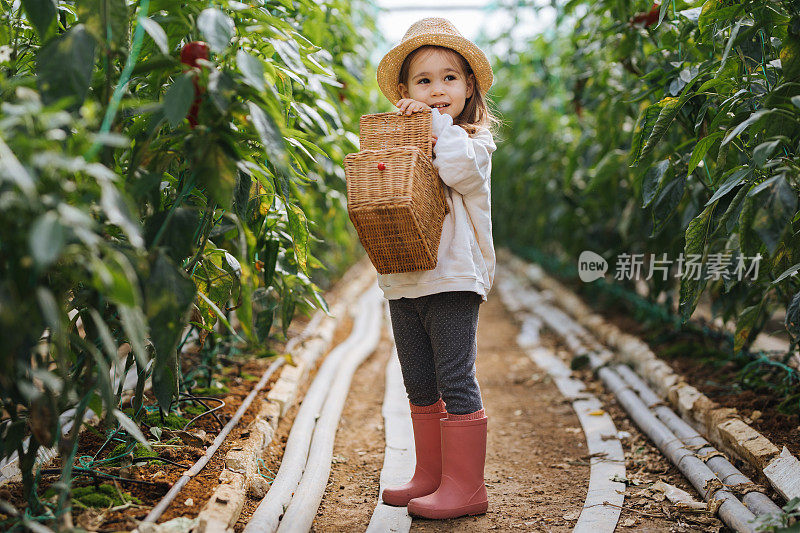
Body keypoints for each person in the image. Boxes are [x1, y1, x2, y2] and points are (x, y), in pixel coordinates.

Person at [373, 17, 499, 520]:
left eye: (449, 78)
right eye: (423, 81)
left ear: (469, 87)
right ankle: (432, 474)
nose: (437, 90)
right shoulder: (404, 136)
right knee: (419, 379)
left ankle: (467, 487)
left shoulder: (472, 143)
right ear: (405, 91)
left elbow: (456, 171)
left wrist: (435, 125)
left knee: (454, 377)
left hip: (452, 278)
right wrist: (406, 132)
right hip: (405, 277)